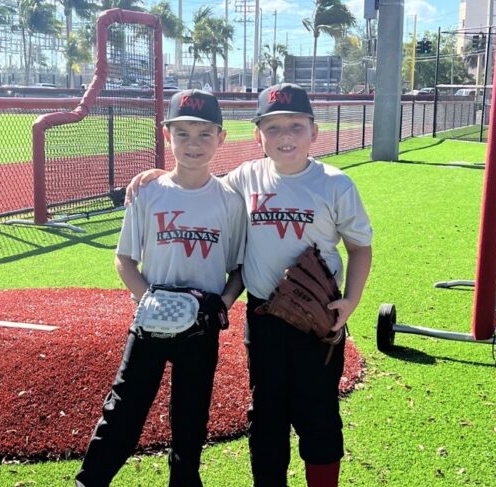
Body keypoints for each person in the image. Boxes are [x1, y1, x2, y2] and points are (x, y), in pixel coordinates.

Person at [126, 83, 373, 487]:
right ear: (257, 135)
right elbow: (198, 179)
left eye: (296, 125)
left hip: (318, 319)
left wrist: (350, 302)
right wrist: (161, 176)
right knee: (267, 416)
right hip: (263, 319)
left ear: (315, 131)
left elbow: (360, 247)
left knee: (319, 414)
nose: (285, 136)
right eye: (273, 127)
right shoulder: (244, 177)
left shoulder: (334, 183)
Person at [75, 89, 246, 487]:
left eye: (204, 134)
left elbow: (238, 268)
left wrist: (221, 303)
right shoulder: (147, 193)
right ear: (166, 135)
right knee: (124, 407)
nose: (193, 144)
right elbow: (124, 259)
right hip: (150, 325)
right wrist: (148, 299)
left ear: (221, 138)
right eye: (182, 133)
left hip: (201, 328)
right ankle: (90, 481)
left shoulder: (230, 201)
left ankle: (185, 481)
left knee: (191, 414)